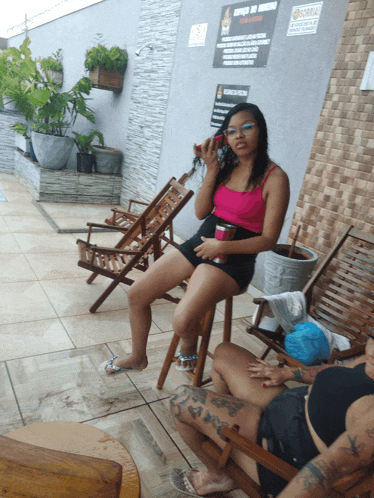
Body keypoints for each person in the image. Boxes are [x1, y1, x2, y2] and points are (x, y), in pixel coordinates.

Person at [99, 102, 289, 375]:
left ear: (261, 130)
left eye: (247, 127)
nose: (239, 136)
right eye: (232, 131)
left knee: (182, 320)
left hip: (234, 259)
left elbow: (269, 239)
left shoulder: (276, 178)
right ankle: (137, 357)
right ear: (225, 137)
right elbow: (201, 213)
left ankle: (188, 344)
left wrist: (221, 246)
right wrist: (211, 168)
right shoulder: (225, 167)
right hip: (201, 244)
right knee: (137, 295)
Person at [169, 338, 374, 497]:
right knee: (225, 353)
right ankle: (228, 431)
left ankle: (219, 476)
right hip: (286, 405)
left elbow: (327, 469)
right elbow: (341, 371)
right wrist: (287, 374)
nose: (372, 351)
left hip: (276, 454)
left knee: (181, 401)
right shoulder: (369, 363)